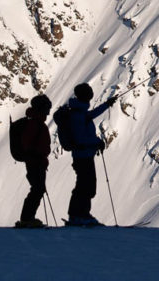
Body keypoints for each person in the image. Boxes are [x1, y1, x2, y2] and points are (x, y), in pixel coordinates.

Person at [62, 82, 116, 226]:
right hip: (83, 156)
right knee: (86, 186)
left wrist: (107, 104)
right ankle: (79, 215)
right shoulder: (78, 115)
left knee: (84, 185)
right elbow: (80, 138)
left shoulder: (79, 111)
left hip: (83, 155)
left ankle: (78, 214)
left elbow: (91, 115)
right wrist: (96, 142)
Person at [14, 95, 53, 228]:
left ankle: (28, 218)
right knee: (37, 189)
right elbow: (29, 143)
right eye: (47, 108)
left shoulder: (36, 122)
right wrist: (38, 154)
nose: (49, 111)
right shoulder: (34, 123)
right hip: (35, 162)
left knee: (38, 189)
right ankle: (26, 219)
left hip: (36, 162)